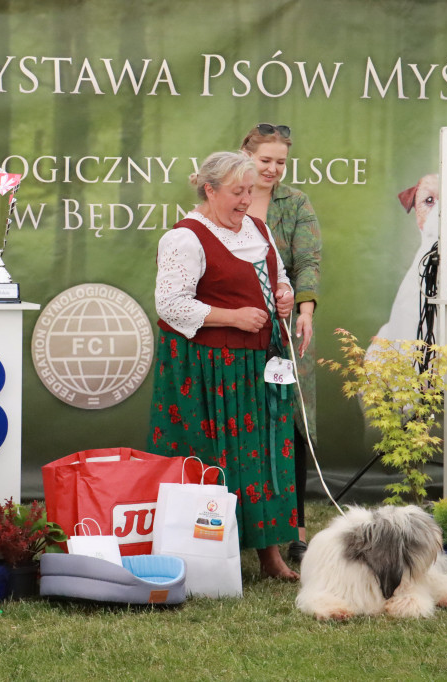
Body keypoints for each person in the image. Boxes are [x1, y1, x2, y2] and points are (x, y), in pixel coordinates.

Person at [149, 151, 299, 580]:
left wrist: (284, 294)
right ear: (210, 190)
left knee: (269, 451)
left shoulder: (257, 228)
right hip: (212, 367)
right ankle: (208, 553)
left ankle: (270, 554)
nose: (246, 200)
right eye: (237, 191)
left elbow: (277, 276)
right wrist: (231, 316)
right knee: (221, 455)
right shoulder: (185, 237)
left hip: (264, 359)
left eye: (251, 190)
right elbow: (170, 304)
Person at [240, 123, 321, 564]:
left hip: (288, 328)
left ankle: (297, 529)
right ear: (246, 156)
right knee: (248, 424)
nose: (272, 169)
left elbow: (308, 259)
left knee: (291, 424)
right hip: (238, 329)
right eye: (264, 160)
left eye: (280, 163)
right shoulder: (225, 198)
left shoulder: (296, 203)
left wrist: (305, 310)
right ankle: (248, 529)